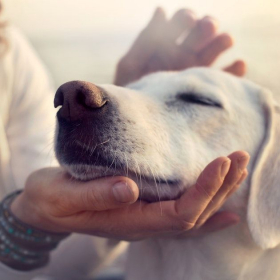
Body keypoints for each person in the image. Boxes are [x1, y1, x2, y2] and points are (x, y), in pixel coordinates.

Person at [0, 4, 249, 280]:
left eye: (197, 99)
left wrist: (132, 102)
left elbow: (52, 266)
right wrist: (24, 216)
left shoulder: (9, 48)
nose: (71, 106)